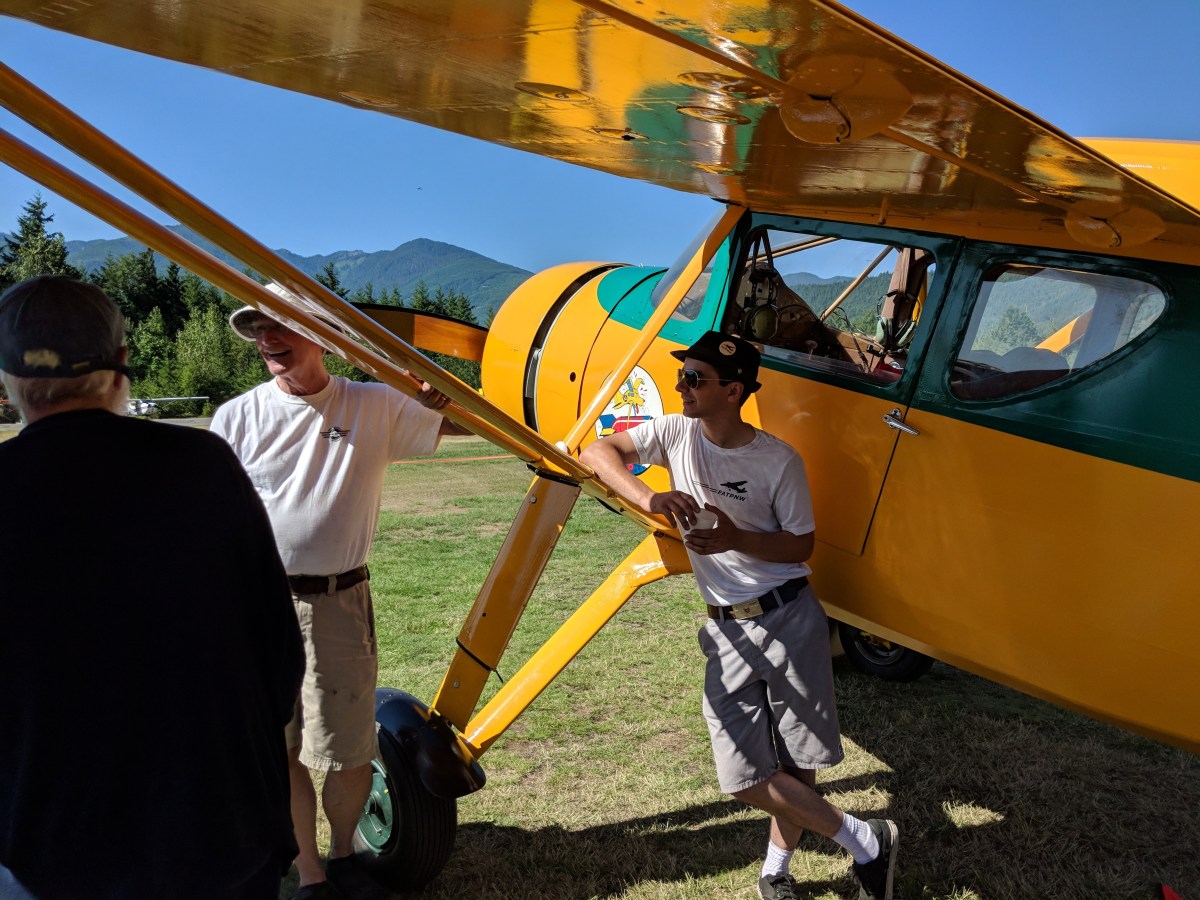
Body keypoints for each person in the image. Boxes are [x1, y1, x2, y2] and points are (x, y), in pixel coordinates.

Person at [0, 276, 305, 900]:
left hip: (50, 846)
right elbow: (278, 648)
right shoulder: (202, 464)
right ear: (120, 363)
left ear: (8, 380)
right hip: (219, 830)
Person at [579, 331, 900, 900]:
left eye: (694, 378)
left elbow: (800, 545)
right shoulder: (674, 432)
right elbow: (596, 453)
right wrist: (651, 498)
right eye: (681, 376)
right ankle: (863, 839)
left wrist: (736, 538)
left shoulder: (778, 460)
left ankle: (775, 872)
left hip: (789, 616)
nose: (681, 387)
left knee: (797, 763)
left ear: (734, 390)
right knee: (741, 777)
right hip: (726, 628)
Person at [211, 284, 467, 900]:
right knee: (281, 749)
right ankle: (311, 873)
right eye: (258, 329)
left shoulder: (376, 402)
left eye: (281, 325)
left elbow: (461, 420)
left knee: (350, 749)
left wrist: (435, 390)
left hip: (339, 600)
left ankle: (345, 852)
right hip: (258, 605)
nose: (268, 339)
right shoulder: (235, 417)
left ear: (322, 336)